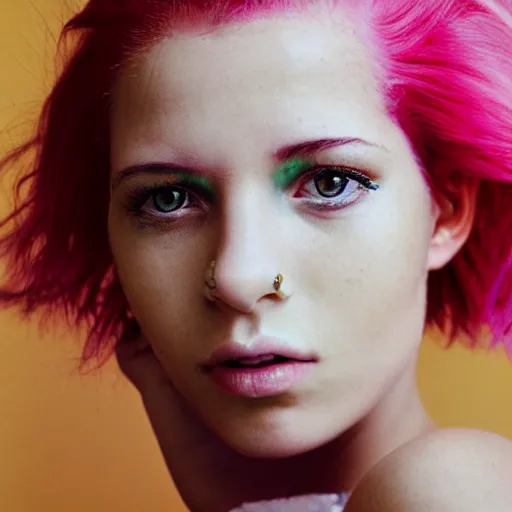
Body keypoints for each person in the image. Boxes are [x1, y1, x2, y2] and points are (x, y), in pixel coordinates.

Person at [1, 0, 512, 510]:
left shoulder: (448, 490)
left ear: (446, 210)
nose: (237, 277)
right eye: (168, 198)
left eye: (330, 183)